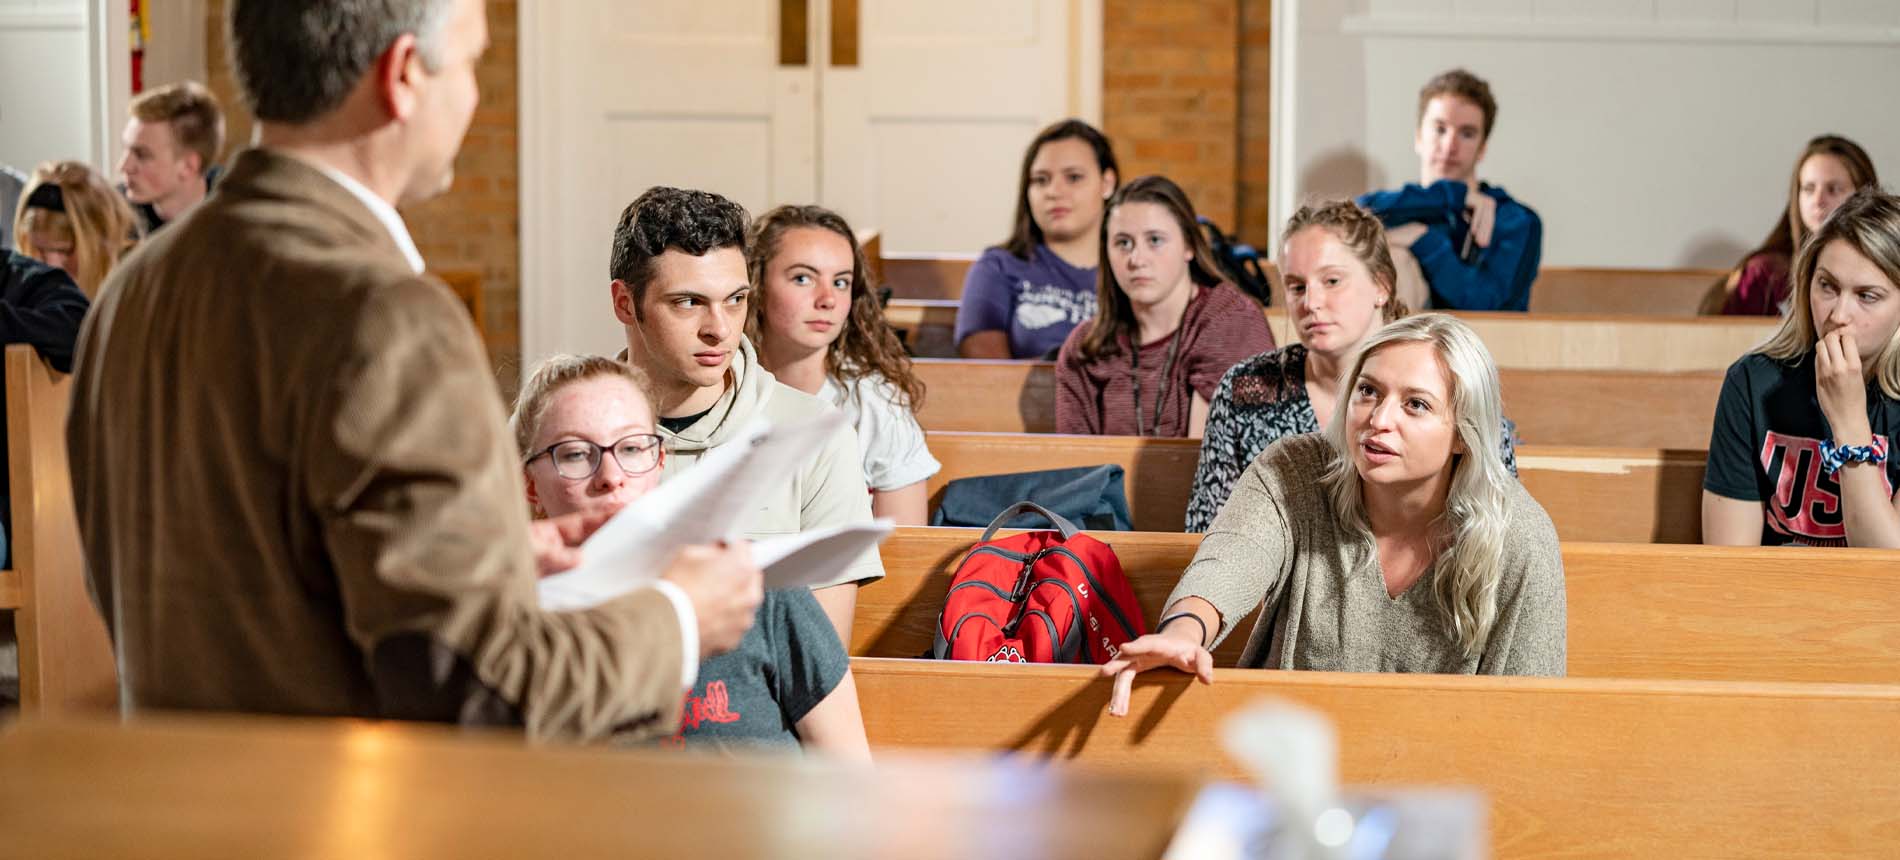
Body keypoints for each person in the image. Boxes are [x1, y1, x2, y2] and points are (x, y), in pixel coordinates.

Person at [67, 0, 763, 742]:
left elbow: (242, 580)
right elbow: (479, 690)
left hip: (172, 790)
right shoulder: (387, 315)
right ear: (402, 75)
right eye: (469, 62)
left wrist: (490, 560)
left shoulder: (133, 290)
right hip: (340, 798)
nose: (474, 95)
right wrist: (678, 617)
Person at [1102, 314, 1566, 713]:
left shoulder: (1520, 536)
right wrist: (1185, 631)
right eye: (1368, 391)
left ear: (1463, 432)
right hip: (1287, 764)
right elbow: (1232, 558)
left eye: (1416, 404)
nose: (1378, 420)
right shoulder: (1296, 469)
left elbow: (1531, 713)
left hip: (1441, 777)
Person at [512, 354, 871, 757]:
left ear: (659, 461)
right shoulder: (508, 618)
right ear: (530, 485)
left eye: (631, 448)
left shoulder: (749, 579)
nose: (611, 477)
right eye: (576, 454)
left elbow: (849, 768)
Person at [611, 186, 883, 639]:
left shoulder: (816, 434)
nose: (720, 329)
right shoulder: (563, 433)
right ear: (625, 303)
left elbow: (821, 653)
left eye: (735, 299)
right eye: (688, 302)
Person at [1186, 200, 1518, 533]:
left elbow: (1499, 531)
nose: (1311, 302)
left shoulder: (1449, 380)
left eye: (1332, 281)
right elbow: (1207, 531)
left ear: (1381, 285)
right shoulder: (1245, 388)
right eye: (1297, 287)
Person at [1702, 188, 1900, 548]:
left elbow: (1888, 571)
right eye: (1827, 286)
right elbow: (1729, 563)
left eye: (1867, 296)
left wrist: (1849, 423)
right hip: (1771, 585)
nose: (1838, 315)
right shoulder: (1751, 382)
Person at [747, 204, 939, 525]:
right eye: (803, 278)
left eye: (840, 282)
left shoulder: (874, 402)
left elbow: (901, 544)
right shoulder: (719, 387)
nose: (828, 299)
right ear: (757, 284)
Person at [1053, 175, 1273, 437]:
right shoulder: (1084, 348)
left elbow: (1211, 456)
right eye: (1123, 243)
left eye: (1155, 240)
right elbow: (1076, 457)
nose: (1137, 259)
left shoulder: (1231, 320)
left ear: (1188, 246)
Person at [1358, 68, 1541, 312]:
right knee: (1393, 258)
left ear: (1482, 148)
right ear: (1418, 137)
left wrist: (1423, 238)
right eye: (1440, 129)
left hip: (1484, 335)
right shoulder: (1396, 207)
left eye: (1467, 134)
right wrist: (1455, 196)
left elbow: (1488, 307)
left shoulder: (1515, 220)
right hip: (1396, 325)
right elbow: (1351, 215)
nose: (1449, 145)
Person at [955, 119, 1120, 359]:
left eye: (1073, 177)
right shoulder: (998, 266)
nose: (1053, 192)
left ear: (1107, 183)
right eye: (1041, 180)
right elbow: (987, 371)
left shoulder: (1133, 265)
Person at [1712, 135, 1878, 316]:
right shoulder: (1764, 273)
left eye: (1833, 189)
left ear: (1865, 197)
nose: (1818, 200)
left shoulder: (1884, 269)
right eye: (1808, 189)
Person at [13, 161, 140, 297]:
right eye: (40, 249)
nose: (51, 264)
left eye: (63, 251)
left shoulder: (138, 284)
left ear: (102, 238)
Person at [120, 80, 227, 234]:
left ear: (188, 166)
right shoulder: (112, 216)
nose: (124, 166)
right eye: (126, 149)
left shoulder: (239, 215)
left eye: (142, 155)